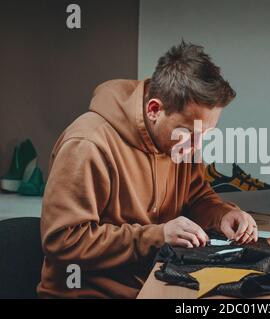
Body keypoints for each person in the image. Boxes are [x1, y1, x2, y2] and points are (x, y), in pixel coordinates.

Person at [37, 41, 258, 298]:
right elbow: (62, 241)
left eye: (206, 134)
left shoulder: (182, 143)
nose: (197, 145)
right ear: (154, 110)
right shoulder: (87, 145)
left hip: (157, 282)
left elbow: (197, 198)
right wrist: (157, 236)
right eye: (189, 133)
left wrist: (222, 215)